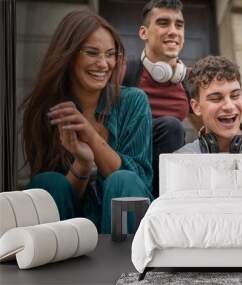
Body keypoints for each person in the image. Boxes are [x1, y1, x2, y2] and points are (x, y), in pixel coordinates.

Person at [21, 10, 153, 234]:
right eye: (92, 53)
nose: (103, 64)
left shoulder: (133, 101)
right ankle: (54, 261)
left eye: (110, 54)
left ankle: (126, 266)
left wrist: (91, 136)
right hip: (72, 226)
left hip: (124, 227)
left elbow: (138, 183)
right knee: (49, 183)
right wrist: (82, 163)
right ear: (69, 55)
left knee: (123, 180)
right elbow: (56, 198)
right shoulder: (46, 110)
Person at [122, 0, 190, 198]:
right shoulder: (125, 72)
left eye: (179, 25)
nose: (173, 31)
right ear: (144, 33)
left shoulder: (188, 79)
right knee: (171, 126)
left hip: (170, 177)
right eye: (163, 23)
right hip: (131, 168)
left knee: (174, 129)